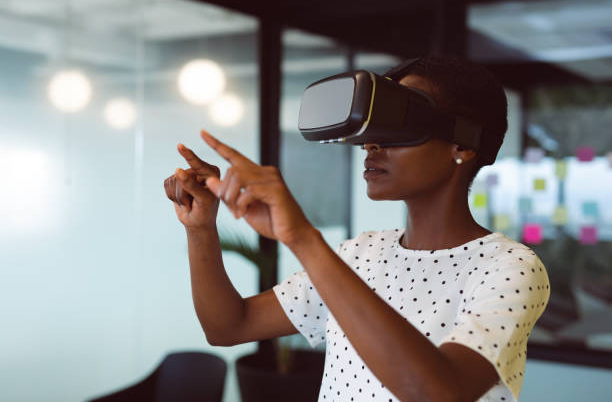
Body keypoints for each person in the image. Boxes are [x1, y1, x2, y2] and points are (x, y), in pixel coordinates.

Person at [163, 55, 551, 402]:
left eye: (400, 120)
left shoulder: (510, 267)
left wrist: (302, 237)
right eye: (372, 126)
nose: (371, 143)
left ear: (462, 145)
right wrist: (201, 229)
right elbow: (229, 326)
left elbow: (437, 393)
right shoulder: (359, 253)